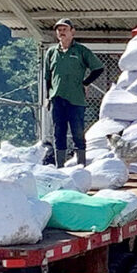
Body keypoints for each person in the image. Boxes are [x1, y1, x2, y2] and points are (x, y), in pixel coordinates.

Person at [44, 18, 104, 167]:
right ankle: (60, 166)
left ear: (72, 31)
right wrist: (47, 97)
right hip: (57, 97)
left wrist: (86, 83)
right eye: (59, 30)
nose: (61, 32)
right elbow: (47, 76)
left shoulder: (81, 51)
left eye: (65, 29)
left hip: (76, 98)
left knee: (78, 133)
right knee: (59, 133)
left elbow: (98, 68)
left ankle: (81, 164)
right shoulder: (52, 52)